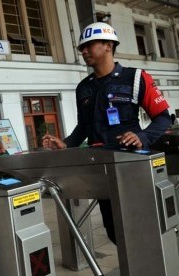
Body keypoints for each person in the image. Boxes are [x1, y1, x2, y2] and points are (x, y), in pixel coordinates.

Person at [42, 22, 170, 244]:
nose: (83, 51)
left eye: (89, 45)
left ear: (108, 45)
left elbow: (163, 118)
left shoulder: (136, 78)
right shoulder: (84, 87)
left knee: (143, 229)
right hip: (101, 169)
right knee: (114, 231)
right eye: (82, 47)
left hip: (131, 167)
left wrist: (143, 137)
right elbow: (84, 127)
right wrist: (67, 143)